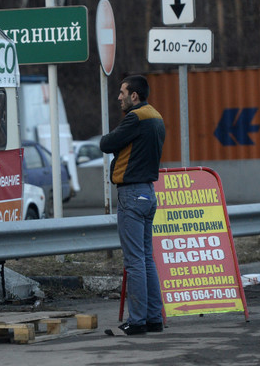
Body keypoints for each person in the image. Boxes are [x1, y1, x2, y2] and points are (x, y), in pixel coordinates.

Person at [100, 75, 165, 335]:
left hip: (131, 194)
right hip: (149, 193)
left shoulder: (135, 117)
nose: (119, 97)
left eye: (122, 92)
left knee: (135, 261)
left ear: (134, 96)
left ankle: (136, 321)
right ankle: (153, 319)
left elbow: (106, 144)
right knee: (147, 259)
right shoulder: (156, 116)